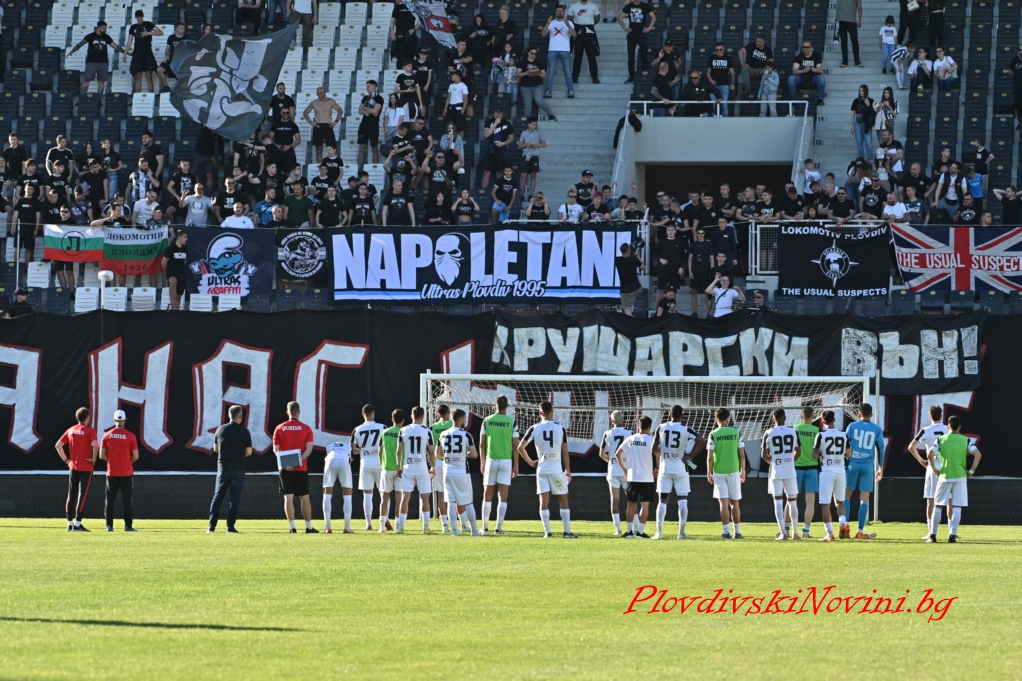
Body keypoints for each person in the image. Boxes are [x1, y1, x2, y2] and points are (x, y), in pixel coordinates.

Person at [518, 401, 577, 538]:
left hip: (542, 469)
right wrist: (568, 470)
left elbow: (520, 447)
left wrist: (530, 462)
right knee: (563, 499)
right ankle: (567, 532)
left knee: (543, 501)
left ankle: (547, 532)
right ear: (552, 413)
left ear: (540, 413)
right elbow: (565, 451)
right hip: (556, 469)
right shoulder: (560, 428)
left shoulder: (534, 428)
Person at [925, 415, 981, 543]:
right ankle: (952, 535)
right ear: (959, 427)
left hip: (944, 476)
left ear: (948, 427)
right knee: (957, 506)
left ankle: (932, 536)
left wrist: (935, 468)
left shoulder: (941, 439)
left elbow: (930, 454)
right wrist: (971, 471)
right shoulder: (965, 440)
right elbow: (978, 455)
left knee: (938, 506)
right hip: (960, 476)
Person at [652, 405, 704, 540]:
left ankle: (659, 533)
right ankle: (681, 534)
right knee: (682, 500)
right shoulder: (686, 429)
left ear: (670, 414)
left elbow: (653, 449)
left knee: (662, 501)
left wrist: (665, 454)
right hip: (680, 468)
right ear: (682, 414)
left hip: (665, 468)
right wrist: (690, 456)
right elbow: (702, 441)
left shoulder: (661, 427)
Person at [272, 401, 317, 534]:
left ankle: (292, 528)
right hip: (301, 468)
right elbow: (309, 450)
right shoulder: (306, 428)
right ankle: (308, 527)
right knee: (305, 497)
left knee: (288, 497)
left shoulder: (279, 428)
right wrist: (297, 463)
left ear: (287, 412)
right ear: (299, 412)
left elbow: (276, 450)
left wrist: (286, 464)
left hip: (284, 469)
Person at [207, 405, 252, 534]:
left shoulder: (220, 429)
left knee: (217, 497)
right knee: (234, 498)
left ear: (229, 415)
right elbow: (249, 452)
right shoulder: (244, 431)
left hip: (223, 467)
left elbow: (216, 449)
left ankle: (211, 527)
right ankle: (230, 527)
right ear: (240, 417)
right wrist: (239, 455)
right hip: (238, 468)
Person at [907, 405, 949, 539]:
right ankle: (952, 532)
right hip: (948, 467)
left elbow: (911, 447)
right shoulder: (948, 429)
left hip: (932, 467)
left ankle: (931, 532)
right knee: (950, 500)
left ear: (930, 416)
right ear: (941, 416)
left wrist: (921, 460)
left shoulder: (925, 430)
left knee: (931, 500)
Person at [480, 395, 519, 535]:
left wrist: (482, 462)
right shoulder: (512, 422)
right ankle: (498, 528)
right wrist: (516, 465)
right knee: (503, 495)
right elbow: (515, 446)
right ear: (507, 406)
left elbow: (481, 444)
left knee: (487, 495)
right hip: (506, 461)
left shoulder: (487, 420)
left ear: (494, 405)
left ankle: (484, 528)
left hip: (490, 460)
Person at [844, 403, 884, 540]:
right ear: (871, 414)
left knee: (847, 496)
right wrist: (880, 468)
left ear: (858, 414)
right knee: (864, 499)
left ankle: (845, 527)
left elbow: (845, 443)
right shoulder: (876, 429)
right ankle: (860, 531)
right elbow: (881, 448)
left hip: (853, 463)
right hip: (867, 466)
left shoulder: (852, 426)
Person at [56, 407, 99, 532]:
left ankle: (70, 524)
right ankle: (78, 523)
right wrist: (93, 459)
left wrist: (66, 460)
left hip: (73, 466)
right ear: (87, 417)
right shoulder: (90, 431)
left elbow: (58, 445)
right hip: (86, 467)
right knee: (82, 496)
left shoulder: (70, 430)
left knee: (71, 495)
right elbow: (96, 445)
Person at [439, 409, 480, 536]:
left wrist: (450, 456)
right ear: (461, 419)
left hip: (447, 470)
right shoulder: (465, 435)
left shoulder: (443, 434)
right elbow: (474, 454)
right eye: (465, 419)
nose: (465, 421)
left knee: (451, 502)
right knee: (468, 502)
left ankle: (454, 531)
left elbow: (437, 453)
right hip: (461, 471)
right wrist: (463, 454)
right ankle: (474, 531)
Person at [762, 408, 801, 541]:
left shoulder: (768, 432)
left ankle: (783, 533)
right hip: (790, 471)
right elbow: (798, 451)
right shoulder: (793, 431)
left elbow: (763, 454)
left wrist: (772, 463)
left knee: (778, 502)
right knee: (792, 501)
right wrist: (790, 461)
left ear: (773, 419)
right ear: (785, 418)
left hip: (776, 471)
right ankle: (795, 533)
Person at [396, 406, 436, 534]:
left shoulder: (403, 430)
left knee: (405, 497)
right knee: (425, 497)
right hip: (422, 468)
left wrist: (399, 467)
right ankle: (426, 527)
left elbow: (398, 451)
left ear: (411, 415)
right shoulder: (427, 431)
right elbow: (432, 452)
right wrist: (433, 467)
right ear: (423, 417)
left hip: (408, 468)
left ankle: (401, 527)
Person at [707, 407, 745, 539]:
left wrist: (708, 472)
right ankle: (737, 532)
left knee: (723, 503)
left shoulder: (713, 434)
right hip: (734, 471)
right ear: (728, 418)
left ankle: (726, 532)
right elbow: (742, 455)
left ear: (715, 419)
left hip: (719, 472)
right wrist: (743, 471)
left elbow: (710, 457)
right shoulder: (736, 432)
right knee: (735, 503)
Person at [614, 415, 655, 538]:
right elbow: (658, 454)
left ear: (638, 426)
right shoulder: (651, 440)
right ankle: (640, 532)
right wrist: (657, 468)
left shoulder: (630, 439)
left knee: (631, 503)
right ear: (650, 427)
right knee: (645, 505)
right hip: (647, 476)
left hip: (632, 476)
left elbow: (617, 454)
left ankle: (629, 531)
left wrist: (625, 469)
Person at [100, 410, 139, 532]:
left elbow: (101, 455)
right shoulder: (131, 436)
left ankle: (109, 526)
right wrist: (126, 461)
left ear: (114, 420)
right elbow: (136, 456)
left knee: (109, 500)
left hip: (111, 472)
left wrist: (113, 460)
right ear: (124, 420)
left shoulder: (107, 435)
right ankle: (128, 526)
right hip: (126, 473)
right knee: (127, 501)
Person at [813, 410, 850, 542]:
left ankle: (830, 534)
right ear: (834, 419)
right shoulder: (844, 434)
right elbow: (849, 454)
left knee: (825, 504)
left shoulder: (820, 435)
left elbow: (814, 455)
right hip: (840, 470)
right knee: (840, 502)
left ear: (822, 421)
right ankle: (842, 523)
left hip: (827, 470)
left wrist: (822, 453)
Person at [351, 404, 386, 531]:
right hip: (380, 462)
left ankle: (368, 523)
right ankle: (385, 520)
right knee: (384, 492)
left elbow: (353, 449)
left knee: (367, 493)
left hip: (365, 461)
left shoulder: (357, 429)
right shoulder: (383, 427)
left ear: (362, 414)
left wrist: (363, 450)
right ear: (374, 413)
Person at [67, 21, 127, 94]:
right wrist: (72, 51)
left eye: (105, 28)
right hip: (91, 62)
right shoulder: (90, 36)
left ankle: (99, 99)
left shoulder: (106, 37)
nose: (105, 30)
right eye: (103, 28)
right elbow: (80, 44)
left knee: (101, 82)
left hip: (103, 62)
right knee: (86, 81)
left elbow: (116, 47)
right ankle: (83, 98)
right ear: (98, 27)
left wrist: (126, 52)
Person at [598, 410, 632, 535]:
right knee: (631, 500)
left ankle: (618, 529)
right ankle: (633, 528)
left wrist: (611, 461)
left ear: (612, 421)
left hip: (613, 470)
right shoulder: (630, 433)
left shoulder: (607, 433)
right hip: (626, 470)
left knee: (614, 500)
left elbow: (601, 454)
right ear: (623, 419)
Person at [376, 409, 405, 533]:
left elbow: (379, 451)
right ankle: (398, 525)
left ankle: (381, 526)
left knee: (384, 498)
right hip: (400, 469)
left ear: (392, 419)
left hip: (386, 468)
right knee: (399, 499)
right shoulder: (404, 432)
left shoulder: (385, 432)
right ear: (403, 420)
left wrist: (381, 465)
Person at [125, 10, 163, 93]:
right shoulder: (133, 27)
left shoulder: (148, 24)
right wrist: (125, 53)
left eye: (141, 16)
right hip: (137, 53)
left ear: (143, 16)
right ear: (135, 17)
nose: (140, 18)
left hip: (147, 52)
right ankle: (136, 97)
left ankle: (151, 96)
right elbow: (129, 41)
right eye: (138, 17)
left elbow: (160, 32)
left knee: (149, 76)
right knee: (138, 77)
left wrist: (149, 33)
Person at [542, 5, 575, 98]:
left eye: (561, 11)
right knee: (551, 72)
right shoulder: (551, 22)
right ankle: (548, 91)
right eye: (558, 11)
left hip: (565, 50)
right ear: (555, 12)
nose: (559, 12)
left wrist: (568, 25)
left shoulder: (569, 22)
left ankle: (571, 91)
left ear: (564, 12)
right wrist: (548, 23)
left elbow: (574, 35)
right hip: (552, 50)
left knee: (567, 72)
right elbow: (543, 34)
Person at [302, 88, 344, 164]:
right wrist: (311, 122)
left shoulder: (330, 101)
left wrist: (336, 121)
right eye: (321, 93)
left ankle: (334, 165)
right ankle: (321, 166)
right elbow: (305, 113)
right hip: (318, 126)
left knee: (333, 148)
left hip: (328, 125)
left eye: (324, 92)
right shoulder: (314, 103)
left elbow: (340, 111)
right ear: (317, 94)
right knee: (319, 149)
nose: (323, 94)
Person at [322, 436, 354, 535]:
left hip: (330, 462)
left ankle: (327, 528)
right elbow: (351, 459)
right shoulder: (348, 447)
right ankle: (347, 528)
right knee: (347, 493)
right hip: (344, 461)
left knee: (327, 493)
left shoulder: (329, 447)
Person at [430, 404, 454, 533]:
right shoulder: (453, 425)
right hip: (452, 462)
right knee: (454, 493)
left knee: (441, 494)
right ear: (448, 412)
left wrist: (432, 465)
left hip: (438, 462)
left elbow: (430, 448)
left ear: (437, 414)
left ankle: (444, 524)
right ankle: (459, 522)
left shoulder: (433, 427)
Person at [619, 0, 655, 84]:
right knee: (630, 56)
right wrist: (625, 28)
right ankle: (631, 76)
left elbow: (653, 17)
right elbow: (620, 18)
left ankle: (644, 74)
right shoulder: (628, 6)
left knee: (644, 55)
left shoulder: (645, 5)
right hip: (632, 34)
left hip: (642, 33)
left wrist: (649, 28)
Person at [568, 0, 600, 84]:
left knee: (592, 56)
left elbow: (597, 18)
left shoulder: (593, 6)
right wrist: (577, 26)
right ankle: (575, 77)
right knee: (577, 56)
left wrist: (589, 24)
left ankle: (594, 77)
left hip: (590, 33)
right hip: (578, 34)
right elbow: (569, 18)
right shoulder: (574, 6)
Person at [356, 80, 384, 169]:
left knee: (374, 147)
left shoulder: (379, 98)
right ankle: (359, 170)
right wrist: (370, 111)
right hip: (363, 125)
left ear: (374, 86)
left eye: (368, 86)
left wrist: (365, 108)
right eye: (366, 86)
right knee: (361, 147)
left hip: (373, 125)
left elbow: (375, 111)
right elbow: (360, 111)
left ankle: (374, 168)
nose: (367, 88)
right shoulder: (365, 97)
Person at [788, 40, 826, 105]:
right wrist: (803, 71)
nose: (805, 49)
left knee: (821, 78)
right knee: (791, 78)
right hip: (801, 78)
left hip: (813, 78)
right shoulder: (799, 56)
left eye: (807, 47)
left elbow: (819, 70)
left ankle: (820, 99)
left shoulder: (816, 56)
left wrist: (810, 69)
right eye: (804, 47)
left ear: (811, 48)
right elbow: (794, 70)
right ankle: (793, 100)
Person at [161, 230, 188, 311]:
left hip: (181, 273)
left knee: (178, 297)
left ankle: (176, 311)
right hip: (171, 271)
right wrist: (165, 271)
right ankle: (172, 304)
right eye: (185, 237)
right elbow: (164, 262)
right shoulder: (170, 248)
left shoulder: (185, 249)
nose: (186, 239)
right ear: (179, 237)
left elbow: (185, 261)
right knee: (173, 281)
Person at [614, 242, 644, 316]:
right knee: (632, 296)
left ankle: (630, 319)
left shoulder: (617, 260)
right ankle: (632, 309)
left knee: (627, 309)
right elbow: (643, 267)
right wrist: (638, 256)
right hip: (637, 288)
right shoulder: (633, 259)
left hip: (626, 291)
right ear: (629, 251)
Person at [850, 84, 876, 162]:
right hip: (858, 122)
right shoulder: (856, 101)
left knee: (868, 143)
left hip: (867, 122)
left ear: (866, 91)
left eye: (862, 90)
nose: (861, 92)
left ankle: (870, 160)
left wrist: (869, 105)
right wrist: (852, 124)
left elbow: (874, 112)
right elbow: (853, 113)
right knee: (859, 142)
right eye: (860, 90)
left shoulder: (871, 100)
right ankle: (861, 160)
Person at [835, 0, 863, 68]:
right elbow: (859, 7)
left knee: (853, 41)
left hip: (850, 21)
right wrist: (860, 19)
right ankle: (847, 61)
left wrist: (860, 19)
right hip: (841, 20)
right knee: (845, 41)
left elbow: (859, 7)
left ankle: (855, 61)